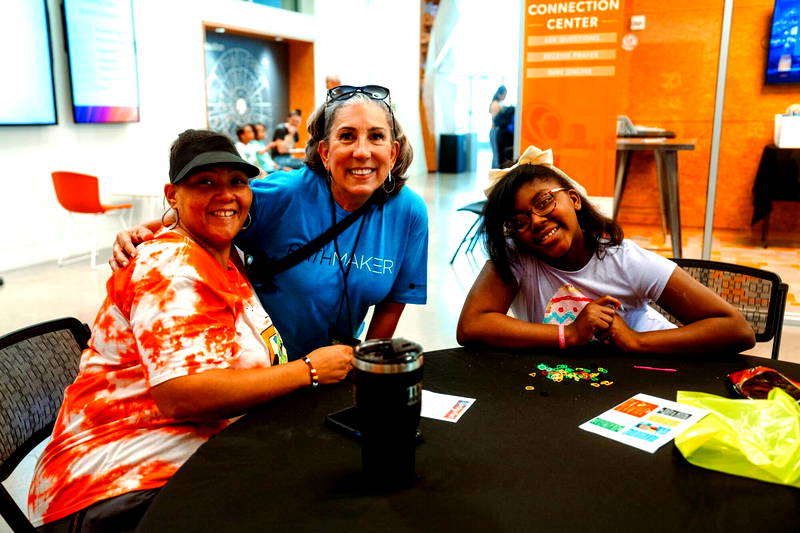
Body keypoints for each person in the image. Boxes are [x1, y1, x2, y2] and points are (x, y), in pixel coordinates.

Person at [29, 130, 352, 532]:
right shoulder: (170, 269)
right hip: (114, 485)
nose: (226, 194)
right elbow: (181, 395)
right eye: (205, 182)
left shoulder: (223, 255)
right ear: (172, 195)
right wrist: (309, 370)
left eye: (237, 181)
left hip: (185, 456)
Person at [111, 85, 428, 361]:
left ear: (393, 152)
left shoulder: (409, 212)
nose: (362, 151)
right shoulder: (286, 194)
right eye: (347, 136)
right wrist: (146, 230)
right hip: (261, 362)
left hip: (337, 366)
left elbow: (393, 300)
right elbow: (213, 207)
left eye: (376, 137)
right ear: (325, 152)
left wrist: (365, 364)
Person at [457, 145, 755, 354]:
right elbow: (471, 326)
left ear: (574, 199)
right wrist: (568, 334)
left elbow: (736, 330)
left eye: (544, 202)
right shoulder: (517, 255)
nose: (535, 221)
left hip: (645, 372)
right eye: (518, 222)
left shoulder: (626, 260)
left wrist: (636, 341)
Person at [489, 85, 507, 168]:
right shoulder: (496, 104)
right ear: (500, 94)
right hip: (495, 131)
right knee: (496, 155)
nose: (505, 97)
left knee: (496, 154)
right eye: (504, 95)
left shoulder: (497, 104)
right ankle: (494, 173)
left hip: (495, 131)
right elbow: (496, 120)